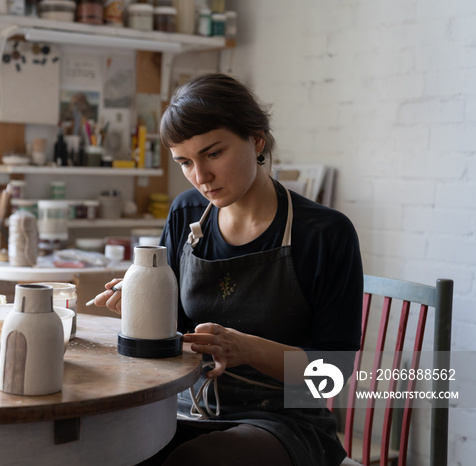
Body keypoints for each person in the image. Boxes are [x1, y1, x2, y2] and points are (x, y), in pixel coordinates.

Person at [92, 73, 363, 466]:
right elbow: (178, 332)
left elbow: (333, 373)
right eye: (185, 162)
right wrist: (142, 304)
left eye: (213, 153)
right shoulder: (186, 215)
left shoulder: (325, 234)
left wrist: (247, 348)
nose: (200, 177)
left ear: (257, 139)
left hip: (285, 419)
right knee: (104, 447)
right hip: (187, 405)